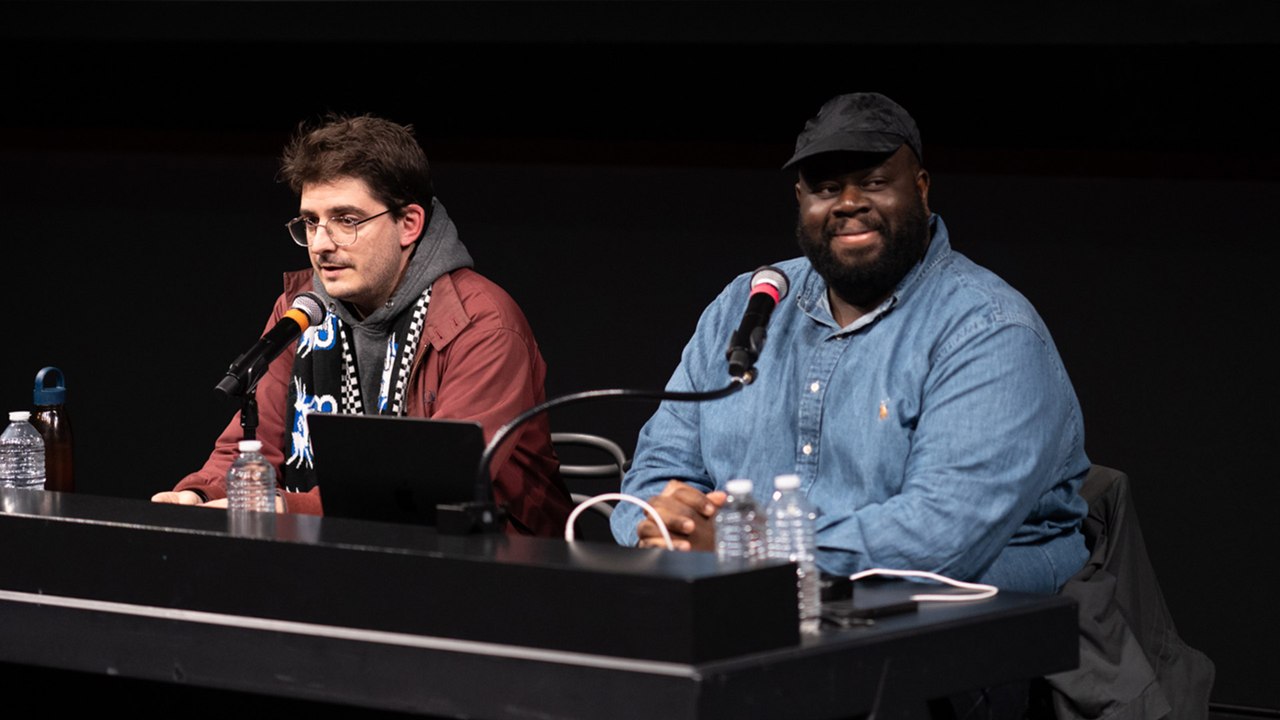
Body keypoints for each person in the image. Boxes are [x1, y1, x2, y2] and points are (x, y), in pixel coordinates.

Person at [610, 92, 1091, 595]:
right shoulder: (745, 305)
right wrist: (665, 528)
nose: (848, 203)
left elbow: (942, 534)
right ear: (801, 201)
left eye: (874, 183)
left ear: (922, 190)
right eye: (825, 188)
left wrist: (746, 553)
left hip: (947, 629)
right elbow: (653, 477)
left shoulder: (990, 329)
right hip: (746, 612)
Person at [152, 113, 574, 537]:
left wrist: (287, 509)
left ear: (408, 223)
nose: (320, 244)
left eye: (347, 220)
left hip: (485, 564)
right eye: (311, 222)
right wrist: (201, 494)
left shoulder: (482, 324)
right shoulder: (300, 312)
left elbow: (437, 486)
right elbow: (251, 445)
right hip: (335, 555)